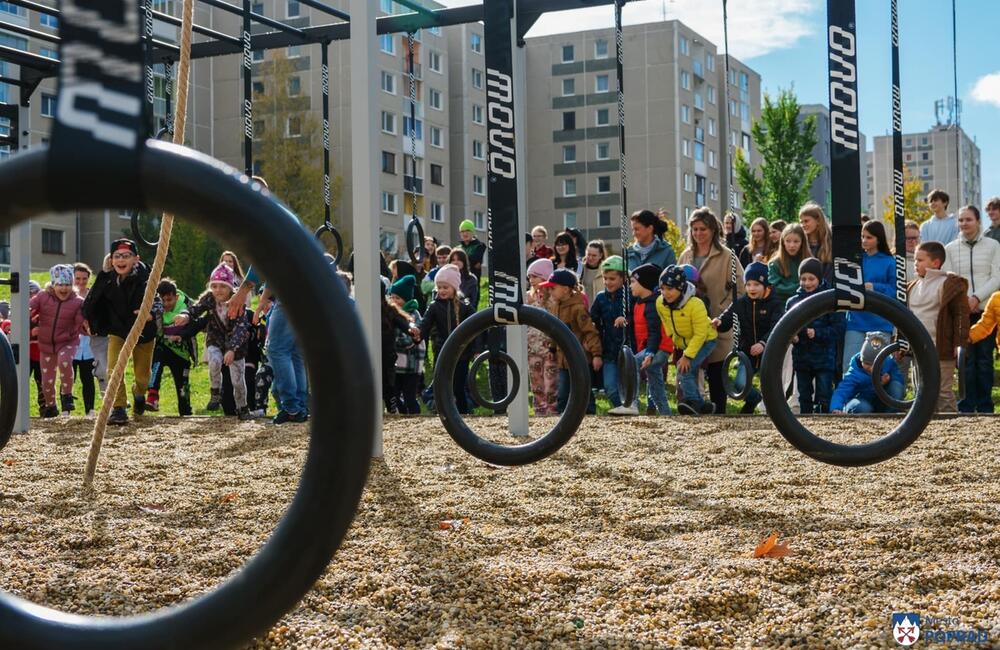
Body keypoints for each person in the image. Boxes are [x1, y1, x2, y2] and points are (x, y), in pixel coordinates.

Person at [82, 239, 162, 425]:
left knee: (143, 376)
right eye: (117, 256)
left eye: (126, 256)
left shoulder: (145, 278)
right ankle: (119, 408)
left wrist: (149, 313)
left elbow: (156, 301)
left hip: (143, 332)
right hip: (117, 330)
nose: (121, 260)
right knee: (113, 369)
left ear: (136, 259)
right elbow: (91, 301)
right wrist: (89, 320)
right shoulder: (107, 279)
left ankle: (139, 393)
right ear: (111, 260)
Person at [678, 207, 744, 416]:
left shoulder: (727, 257)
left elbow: (739, 290)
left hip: (715, 322)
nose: (698, 234)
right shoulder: (685, 256)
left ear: (713, 230)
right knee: (688, 370)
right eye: (695, 229)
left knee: (717, 372)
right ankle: (693, 408)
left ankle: (720, 412)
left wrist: (723, 312)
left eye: (703, 229)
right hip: (689, 325)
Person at [174, 263, 252, 419]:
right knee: (214, 361)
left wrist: (232, 349)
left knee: (238, 380)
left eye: (222, 286)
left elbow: (241, 329)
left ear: (230, 287)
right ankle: (215, 392)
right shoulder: (209, 298)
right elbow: (196, 308)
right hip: (215, 339)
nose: (218, 290)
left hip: (235, 346)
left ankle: (242, 407)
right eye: (214, 286)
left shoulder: (237, 302)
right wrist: (185, 315)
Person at [943, 205, 1000, 413]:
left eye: (968, 219)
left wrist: (977, 297)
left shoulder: (993, 245)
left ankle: (985, 405)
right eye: (960, 220)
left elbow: (997, 277)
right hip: (961, 312)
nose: (964, 224)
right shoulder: (950, 248)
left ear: (978, 221)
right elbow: (949, 277)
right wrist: (964, 299)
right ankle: (966, 404)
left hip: (986, 312)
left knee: (984, 360)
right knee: (965, 360)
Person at [711, 261, 783, 414]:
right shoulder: (741, 302)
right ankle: (754, 399)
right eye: (748, 284)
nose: (751, 288)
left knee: (770, 386)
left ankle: (773, 412)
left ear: (766, 285)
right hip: (747, 352)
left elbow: (776, 327)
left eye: (756, 284)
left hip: (768, 353)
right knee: (739, 385)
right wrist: (719, 321)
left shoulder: (775, 304)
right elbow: (728, 317)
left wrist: (763, 343)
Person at [908, 242, 969, 413]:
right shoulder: (912, 287)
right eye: (914, 259)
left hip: (941, 349)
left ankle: (951, 428)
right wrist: (902, 343)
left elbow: (961, 316)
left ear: (935, 263)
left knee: (942, 392)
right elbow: (906, 317)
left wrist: (960, 343)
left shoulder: (949, 284)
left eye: (920, 260)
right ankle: (928, 430)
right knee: (921, 394)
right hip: (919, 350)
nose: (915, 263)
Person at [608, 264, 672, 416]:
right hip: (652, 348)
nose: (630, 286)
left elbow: (655, 332)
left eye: (633, 282)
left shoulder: (652, 305)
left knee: (632, 363)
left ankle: (631, 404)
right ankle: (665, 413)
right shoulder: (640, 303)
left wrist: (650, 352)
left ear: (645, 284)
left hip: (657, 348)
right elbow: (639, 321)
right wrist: (626, 319)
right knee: (655, 383)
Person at [656, 265, 717, 415]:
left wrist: (687, 356)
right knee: (686, 370)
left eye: (670, 289)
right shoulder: (660, 303)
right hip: (684, 342)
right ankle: (704, 406)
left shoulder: (696, 304)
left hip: (705, 340)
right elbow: (666, 322)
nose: (665, 293)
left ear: (681, 288)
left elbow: (700, 334)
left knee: (685, 370)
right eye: (662, 288)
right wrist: (673, 338)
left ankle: (694, 402)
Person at [540, 269, 602, 414]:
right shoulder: (556, 306)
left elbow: (589, 331)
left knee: (583, 389)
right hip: (563, 359)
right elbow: (555, 330)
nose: (550, 291)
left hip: (579, 358)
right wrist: (552, 348)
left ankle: (590, 414)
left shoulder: (578, 308)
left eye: (553, 288)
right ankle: (563, 417)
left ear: (566, 289)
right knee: (563, 393)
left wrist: (596, 354)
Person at [786, 258, 844, 414]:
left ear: (820, 278)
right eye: (803, 279)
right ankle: (805, 421)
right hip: (802, 356)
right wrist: (793, 337)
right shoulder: (793, 302)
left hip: (824, 357)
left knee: (824, 394)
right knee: (804, 395)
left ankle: (824, 420)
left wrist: (818, 333)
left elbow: (838, 328)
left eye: (811, 279)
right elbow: (786, 328)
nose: (807, 283)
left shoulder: (830, 299)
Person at [29, 265, 85, 417]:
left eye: (67, 284)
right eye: (60, 284)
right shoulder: (42, 296)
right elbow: (30, 306)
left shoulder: (77, 301)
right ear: (53, 285)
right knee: (46, 380)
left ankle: (67, 395)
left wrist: (86, 323)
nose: (64, 288)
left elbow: (81, 319)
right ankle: (51, 406)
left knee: (65, 361)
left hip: (67, 341)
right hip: (46, 344)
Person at [420, 264, 476, 414]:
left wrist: (476, 349)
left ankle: (463, 413)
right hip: (442, 352)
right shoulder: (434, 307)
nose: (442, 291)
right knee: (443, 386)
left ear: (454, 288)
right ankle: (444, 414)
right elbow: (424, 325)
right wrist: (417, 334)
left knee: (458, 387)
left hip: (461, 354)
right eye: (439, 287)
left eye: (446, 287)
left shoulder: (465, 307)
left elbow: (476, 328)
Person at [842, 221, 897, 371]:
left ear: (878, 239)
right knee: (850, 365)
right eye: (862, 236)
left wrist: (874, 287)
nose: (864, 240)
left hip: (880, 322)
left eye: (869, 237)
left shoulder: (890, 262)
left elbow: (895, 290)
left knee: (878, 367)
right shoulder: (855, 259)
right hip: (856, 320)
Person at [146, 279, 196, 416]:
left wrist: (181, 335)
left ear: (176, 297)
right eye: (163, 301)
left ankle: (186, 411)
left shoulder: (186, 305)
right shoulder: (155, 306)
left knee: (182, 386)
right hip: (163, 347)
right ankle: (152, 395)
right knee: (157, 357)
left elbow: (195, 324)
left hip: (181, 351)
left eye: (169, 300)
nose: (166, 304)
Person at [831, 332, 904, 414]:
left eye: (875, 365)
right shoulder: (855, 372)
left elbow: (899, 380)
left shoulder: (888, 363)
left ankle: (891, 415)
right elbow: (842, 391)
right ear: (861, 359)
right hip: (861, 401)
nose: (871, 368)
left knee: (896, 387)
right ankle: (851, 411)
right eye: (867, 364)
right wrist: (836, 407)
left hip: (881, 402)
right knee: (863, 407)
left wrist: (887, 382)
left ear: (882, 361)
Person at [589, 256, 626, 410]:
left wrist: (625, 318)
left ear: (623, 278)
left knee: (628, 386)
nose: (608, 282)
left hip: (627, 349)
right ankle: (621, 407)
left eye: (612, 278)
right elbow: (593, 322)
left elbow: (637, 317)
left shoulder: (629, 296)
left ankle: (630, 407)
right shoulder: (600, 298)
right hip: (608, 350)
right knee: (610, 387)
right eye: (605, 278)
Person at [388, 275, 425, 415]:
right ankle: (403, 414)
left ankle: (415, 416)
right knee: (395, 396)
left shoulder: (412, 314)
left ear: (406, 299)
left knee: (410, 396)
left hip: (411, 364)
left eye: (397, 298)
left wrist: (392, 340)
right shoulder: (391, 313)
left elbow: (410, 339)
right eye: (391, 297)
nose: (393, 301)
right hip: (397, 364)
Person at [526, 258, 558, 416]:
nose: (532, 280)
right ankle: (540, 410)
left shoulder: (553, 300)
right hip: (532, 348)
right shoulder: (528, 299)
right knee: (536, 383)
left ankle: (552, 410)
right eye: (530, 277)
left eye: (536, 276)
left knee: (550, 383)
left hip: (549, 348)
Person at [72, 263, 97, 415]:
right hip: (71, 344)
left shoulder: (92, 296)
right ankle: (66, 410)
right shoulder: (68, 296)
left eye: (84, 278)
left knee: (88, 378)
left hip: (89, 345)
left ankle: (90, 410)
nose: (81, 282)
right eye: (77, 278)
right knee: (69, 377)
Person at [798, 203, 833, 282]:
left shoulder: (830, 243)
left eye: (806, 221)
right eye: (801, 222)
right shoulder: (800, 243)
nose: (803, 225)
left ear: (818, 221)